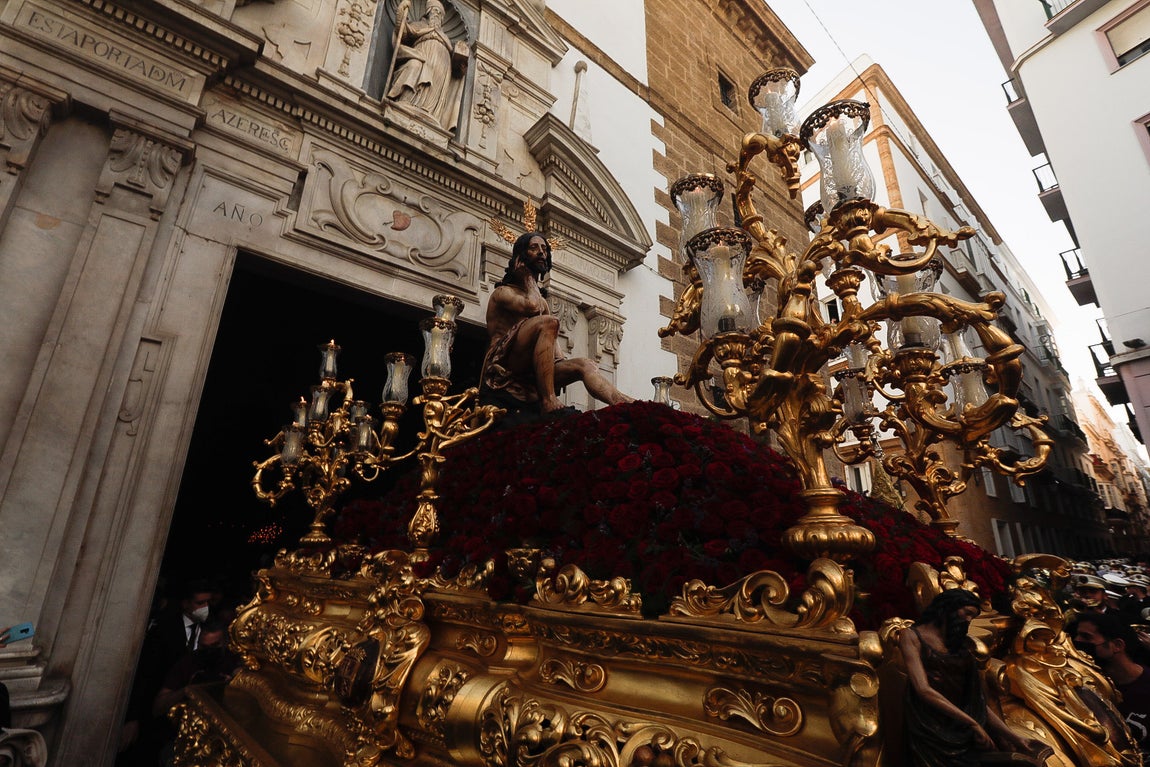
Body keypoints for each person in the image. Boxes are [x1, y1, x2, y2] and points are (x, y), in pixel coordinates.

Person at [481, 232, 633, 415]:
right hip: (505, 366)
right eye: (533, 248)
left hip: (532, 372)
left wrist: (568, 368)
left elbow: (556, 354)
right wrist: (528, 278)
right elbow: (532, 307)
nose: (541, 252)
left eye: (544, 249)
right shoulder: (503, 293)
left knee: (585, 364)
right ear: (520, 257)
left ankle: (625, 404)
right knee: (549, 322)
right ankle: (548, 400)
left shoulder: (542, 303)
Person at [899, 589, 1043, 766]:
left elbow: (977, 703)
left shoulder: (959, 646)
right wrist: (972, 723)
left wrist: (1014, 737)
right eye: (966, 613)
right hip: (930, 725)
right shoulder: (911, 636)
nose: (968, 620)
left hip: (962, 727)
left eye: (972, 617)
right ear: (948, 607)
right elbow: (923, 689)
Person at [1074, 611, 1150, 759]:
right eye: (1077, 635)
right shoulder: (1085, 687)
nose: (1077, 641)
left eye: (1086, 637)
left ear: (1117, 645)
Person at [386, 0, 467, 130]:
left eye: (440, 13)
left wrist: (460, 65)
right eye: (435, 11)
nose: (437, 15)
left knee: (433, 89)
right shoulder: (419, 25)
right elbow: (402, 30)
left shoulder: (444, 36)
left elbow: (456, 69)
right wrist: (401, 11)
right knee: (415, 66)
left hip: (442, 67)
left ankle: (431, 112)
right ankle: (407, 102)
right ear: (428, 12)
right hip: (422, 56)